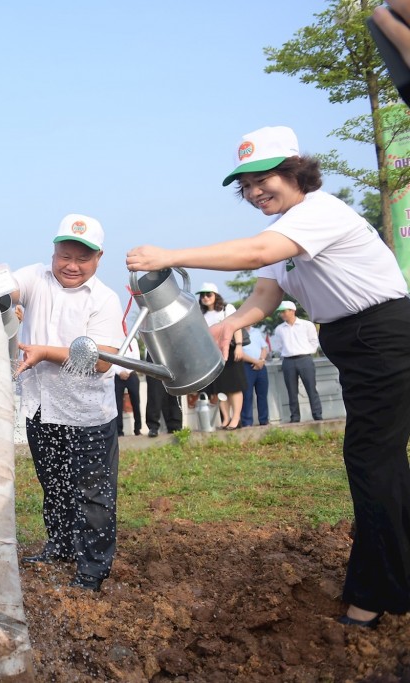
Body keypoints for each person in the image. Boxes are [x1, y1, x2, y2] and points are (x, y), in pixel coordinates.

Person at [126, 124, 410, 629]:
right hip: (357, 344)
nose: (256, 192)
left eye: (264, 179)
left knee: (372, 462)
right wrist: (231, 324)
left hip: (384, 336)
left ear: (296, 171)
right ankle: (386, 581)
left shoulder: (317, 212)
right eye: (246, 186)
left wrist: (170, 256)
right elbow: (265, 291)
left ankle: (377, 594)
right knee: (377, 462)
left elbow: (257, 253)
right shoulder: (289, 230)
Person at [13, 213, 124, 593]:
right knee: (54, 485)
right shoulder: (34, 278)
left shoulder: (104, 299)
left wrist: (44, 352)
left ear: (98, 258)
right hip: (42, 408)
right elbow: (5, 290)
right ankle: (60, 546)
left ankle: (93, 569)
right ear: (53, 252)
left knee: (93, 494)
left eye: (82, 258)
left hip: (87, 414)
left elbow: (103, 359)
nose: (72, 266)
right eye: (65, 256)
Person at [196, 283, 245, 430]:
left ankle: (236, 418)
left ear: (216, 295)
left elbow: (236, 327)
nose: (205, 297)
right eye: (202, 295)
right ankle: (226, 419)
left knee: (235, 387)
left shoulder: (227, 309)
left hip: (230, 350)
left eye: (208, 294)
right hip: (213, 354)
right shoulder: (201, 313)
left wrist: (239, 345)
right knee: (221, 388)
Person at [271, 300, 323, 423]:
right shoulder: (279, 329)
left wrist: (307, 351)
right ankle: (295, 417)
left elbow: (314, 341)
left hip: (305, 359)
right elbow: (277, 346)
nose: (282, 314)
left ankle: (317, 414)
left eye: (284, 311)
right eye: (281, 312)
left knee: (311, 388)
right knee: (291, 391)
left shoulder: (306, 325)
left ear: (292, 311)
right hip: (288, 361)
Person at [239, 326, 270, 427]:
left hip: (261, 366)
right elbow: (239, 352)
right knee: (247, 395)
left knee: (262, 395)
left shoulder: (256, 331)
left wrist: (261, 360)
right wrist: (255, 362)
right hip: (246, 366)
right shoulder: (238, 332)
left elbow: (264, 348)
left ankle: (264, 420)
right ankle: (247, 422)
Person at [144, 363, 181, 438]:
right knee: (154, 393)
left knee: (174, 391)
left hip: (172, 356)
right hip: (154, 357)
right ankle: (153, 426)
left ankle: (175, 425)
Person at [113, 343, 142, 437]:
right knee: (118, 404)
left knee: (136, 402)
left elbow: (136, 358)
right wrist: (119, 372)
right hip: (117, 375)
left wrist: (128, 371)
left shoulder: (132, 340)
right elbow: (111, 360)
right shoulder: (113, 340)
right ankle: (119, 431)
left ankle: (138, 429)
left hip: (131, 374)